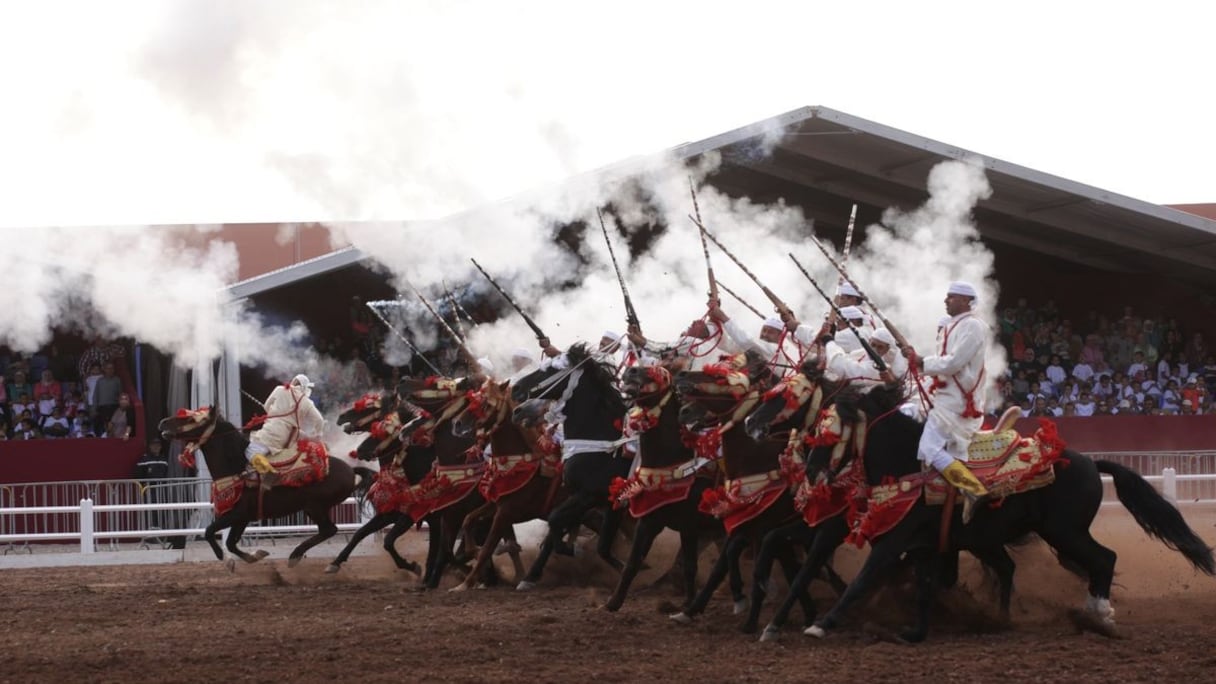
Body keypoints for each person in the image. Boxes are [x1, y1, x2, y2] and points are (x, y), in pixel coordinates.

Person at [902, 281, 990, 523]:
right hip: (944, 399)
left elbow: (953, 363)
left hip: (956, 404)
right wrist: (918, 362)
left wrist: (921, 361)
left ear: (965, 301)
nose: (946, 300)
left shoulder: (972, 325)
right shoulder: (954, 325)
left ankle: (973, 488)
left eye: (951, 297)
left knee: (928, 448)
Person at [245, 374, 326, 475]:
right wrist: (317, 435)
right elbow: (320, 420)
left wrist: (275, 412)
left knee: (251, 451)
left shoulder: (280, 389)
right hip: (288, 438)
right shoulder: (307, 402)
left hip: (271, 432)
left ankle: (263, 474)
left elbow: (266, 407)